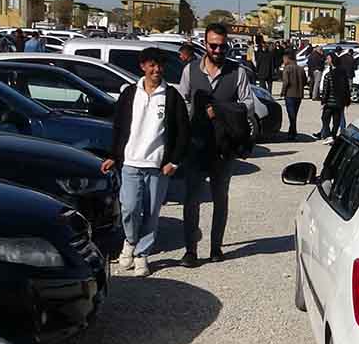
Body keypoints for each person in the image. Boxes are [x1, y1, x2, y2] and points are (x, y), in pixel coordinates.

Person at [100, 48, 189, 278]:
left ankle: (142, 254)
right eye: (151, 65)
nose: (156, 70)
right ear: (142, 67)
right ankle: (130, 242)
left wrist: (174, 162)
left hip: (157, 166)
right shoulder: (130, 93)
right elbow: (119, 127)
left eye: (159, 65)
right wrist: (113, 155)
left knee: (151, 212)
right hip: (130, 163)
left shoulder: (171, 96)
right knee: (129, 208)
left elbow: (182, 133)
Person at [178, 23, 256, 268]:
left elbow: (248, 105)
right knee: (191, 199)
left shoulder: (238, 72)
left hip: (224, 148)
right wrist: (194, 115)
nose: (218, 50)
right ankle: (190, 250)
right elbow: (182, 101)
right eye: (213, 45)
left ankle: (215, 247)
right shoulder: (190, 71)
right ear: (205, 44)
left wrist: (221, 111)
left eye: (223, 46)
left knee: (220, 198)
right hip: (197, 145)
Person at [316, 55, 346, 139]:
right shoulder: (342, 73)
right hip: (339, 102)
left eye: (328, 58)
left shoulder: (329, 75)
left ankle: (329, 135)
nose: (327, 60)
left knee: (325, 118)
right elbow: (346, 88)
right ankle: (332, 136)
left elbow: (326, 90)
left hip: (330, 102)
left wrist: (323, 101)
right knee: (336, 120)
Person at [280, 51, 307, 138]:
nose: (283, 61)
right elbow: (305, 81)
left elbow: (286, 82)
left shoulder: (287, 69)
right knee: (294, 114)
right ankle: (292, 131)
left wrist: (283, 92)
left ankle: (293, 133)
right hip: (299, 94)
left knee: (291, 115)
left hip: (289, 94)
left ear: (287, 59)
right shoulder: (301, 69)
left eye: (284, 59)